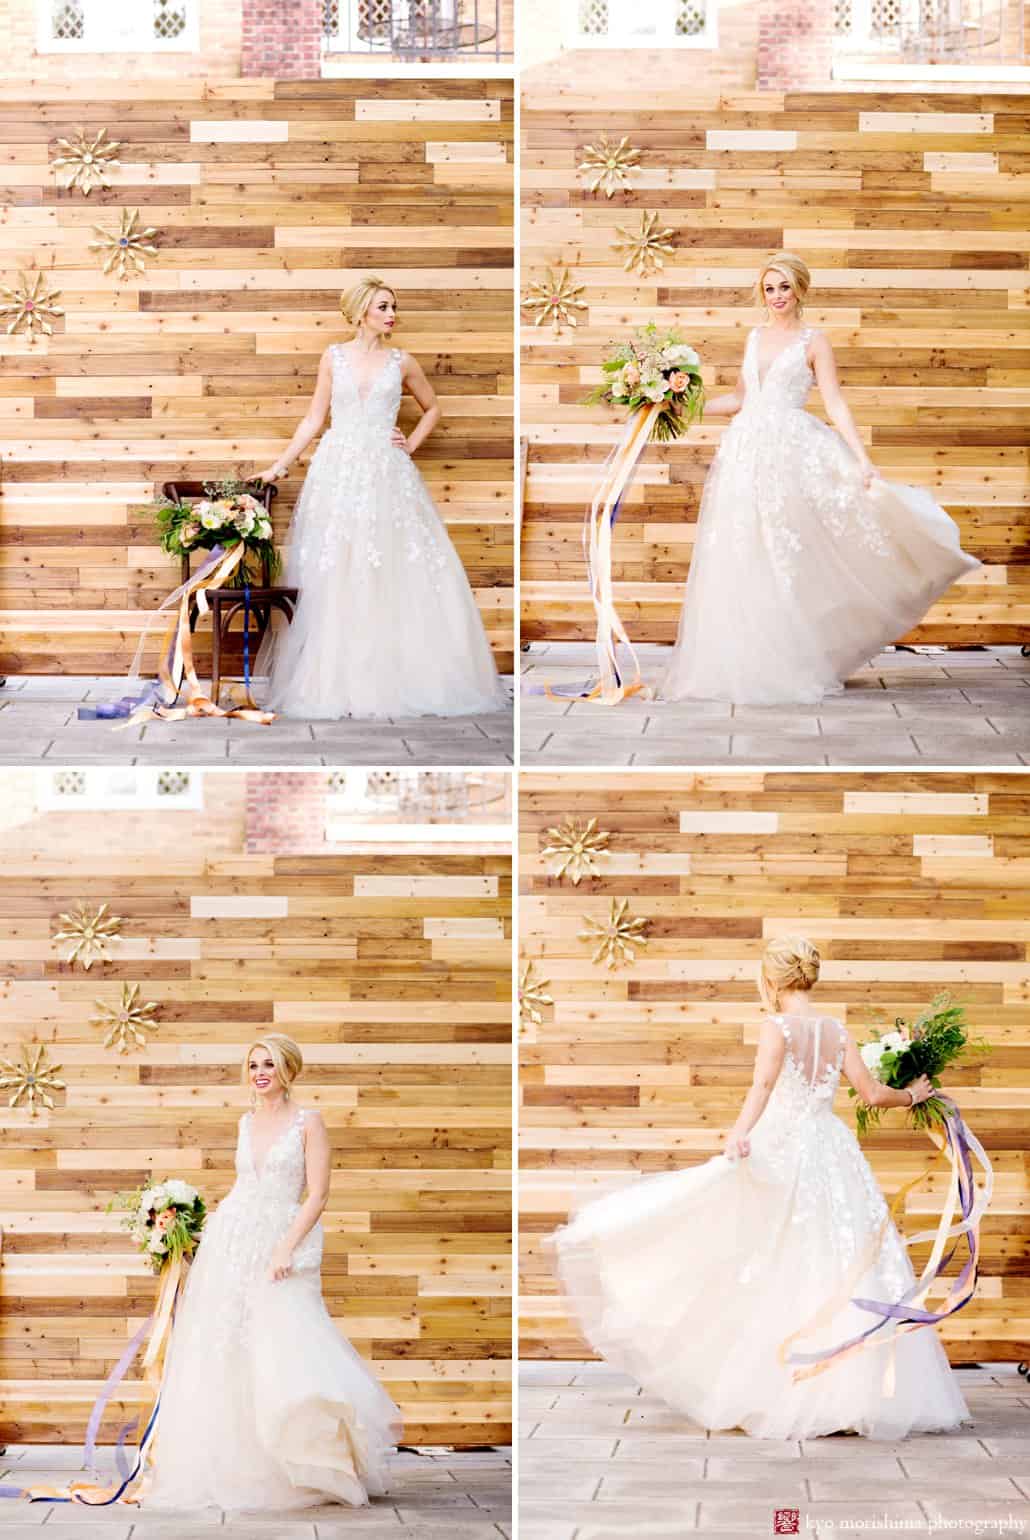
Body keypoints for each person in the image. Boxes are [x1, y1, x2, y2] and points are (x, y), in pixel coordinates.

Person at [551, 938, 974, 1440]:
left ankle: (786, 1389)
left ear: (771, 980)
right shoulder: (836, 1031)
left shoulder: (776, 1027)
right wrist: (914, 1095)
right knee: (846, 1256)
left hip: (785, 1149)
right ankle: (854, 1393)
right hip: (833, 1152)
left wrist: (739, 1133)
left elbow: (763, 1087)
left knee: (777, 1256)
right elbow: (872, 1094)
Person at [661, 252, 979, 706]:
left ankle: (790, 659)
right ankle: (744, 662)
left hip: (790, 454)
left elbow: (835, 404)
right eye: (769, 288)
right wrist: (677, 406)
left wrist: (862, 458)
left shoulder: (815, 341)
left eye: (784, 287)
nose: (776, 297)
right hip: (744, 453)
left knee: (784, 554)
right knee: (739, 552)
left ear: (800, 290)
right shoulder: (753, 338)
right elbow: (737, 399)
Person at [145, 1034, 402, 1510]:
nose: (260, 1071)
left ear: (289, 1070)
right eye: (253, 1064)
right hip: (234, 1241)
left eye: (270, 1064)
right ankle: (240, 1464)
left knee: (286, 1344)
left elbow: (318, 1194)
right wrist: (196, 1232)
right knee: (228, 1345)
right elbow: (246, 1185)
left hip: (282, 1243)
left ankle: (308, 1466)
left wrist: (285, 1248)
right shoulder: (245, 1122)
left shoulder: (309, 1122)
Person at [252, 276, 507, 720]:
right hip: (338, 471)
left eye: (393, 306)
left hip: (387, 475)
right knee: (338, 572)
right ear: (360, 312)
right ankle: (338, 682)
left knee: (388, 568)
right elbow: (314, 419)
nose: (392, 314)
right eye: (383, 306)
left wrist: (410, 443)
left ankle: (394, 678)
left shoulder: (401, 361)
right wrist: (279, 465)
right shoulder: (333, 358)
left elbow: (433, 408)